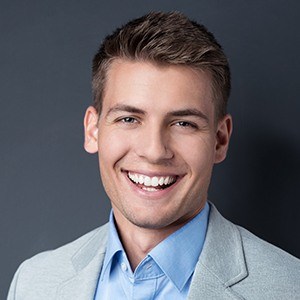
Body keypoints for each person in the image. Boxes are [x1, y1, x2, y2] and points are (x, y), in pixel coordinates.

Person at [8, 11, 300, 300]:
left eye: (183, 123)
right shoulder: (33, 283)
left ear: (220, 140)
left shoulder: (289, 288)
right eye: (129, 119)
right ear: (93, 130)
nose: (154, 151)